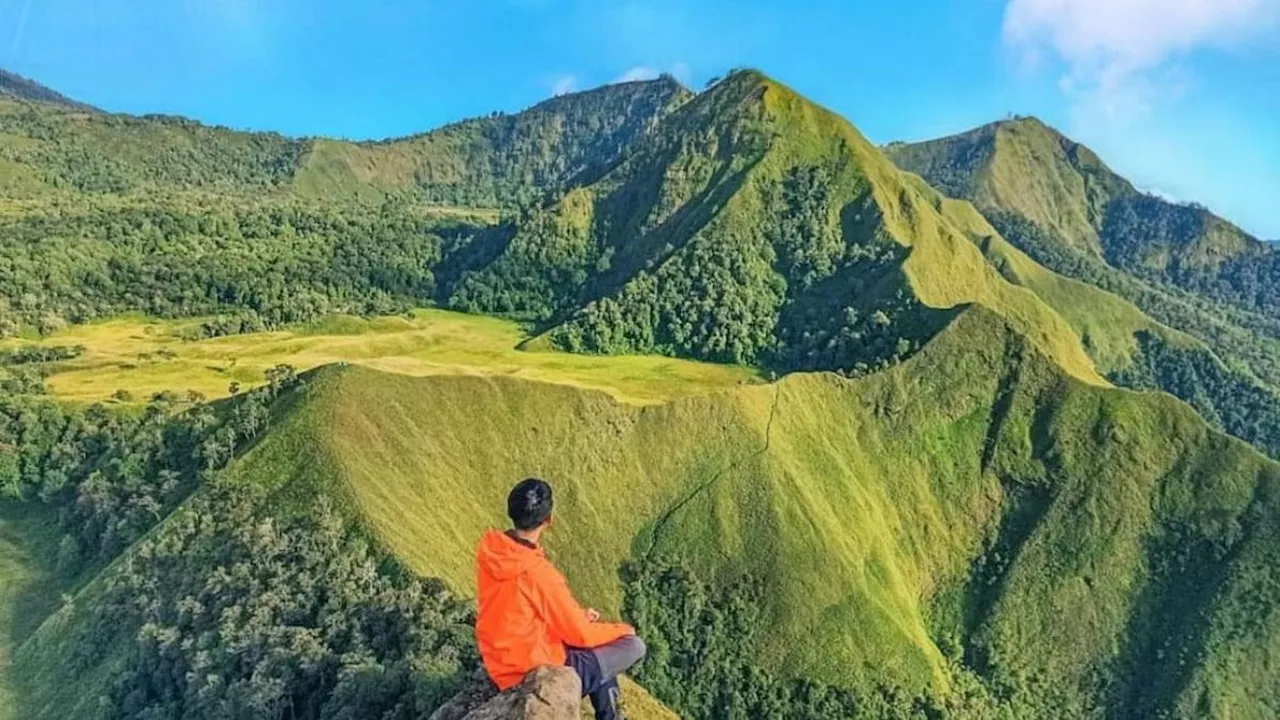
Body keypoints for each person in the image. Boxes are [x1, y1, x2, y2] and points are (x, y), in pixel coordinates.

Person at [475, 477, 647, 720]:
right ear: (549, 520)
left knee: (599, 657)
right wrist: (623, 630)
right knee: (633, 646)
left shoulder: (493, 552)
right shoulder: (537, 572)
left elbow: (519, 610)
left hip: (502, 661)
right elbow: (581, 635)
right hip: (535, 669)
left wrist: (580, 619)